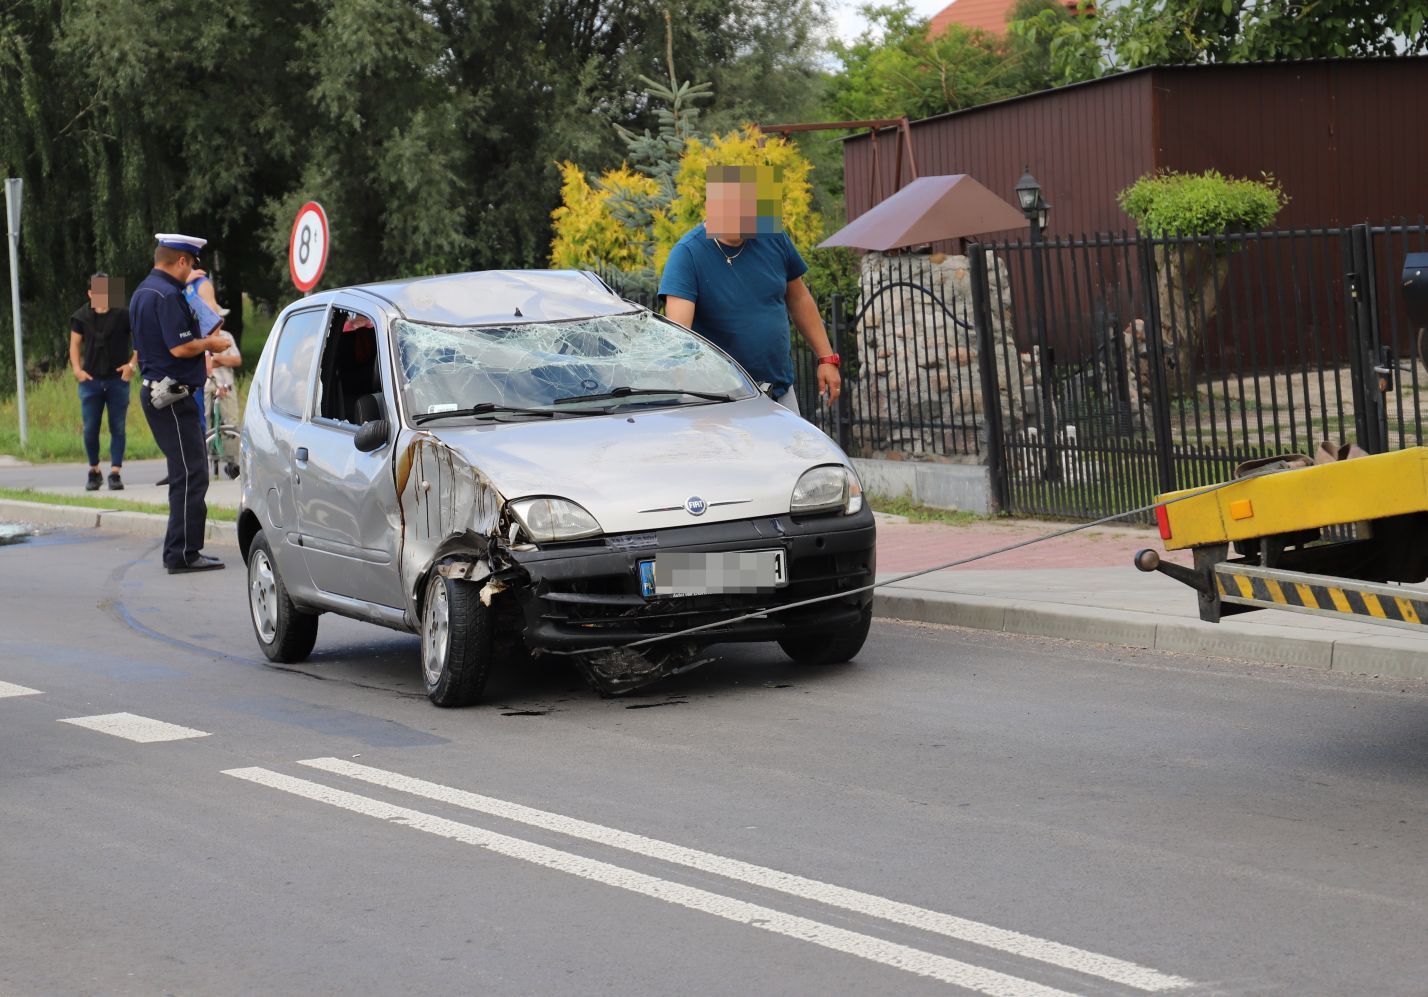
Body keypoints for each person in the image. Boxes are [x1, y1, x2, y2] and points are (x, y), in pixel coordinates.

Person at [658, 164, 841, 414]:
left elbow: (799, 299)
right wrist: (689, 402)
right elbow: (679, 339)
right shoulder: (687, 254)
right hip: (719, 400)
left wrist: (826, 358)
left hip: (778, 390)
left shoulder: (772, 236)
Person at [130, 233, 232, 573]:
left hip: (159, 391)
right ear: (183, 261)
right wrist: (210, 345)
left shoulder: (143, 291)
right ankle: (183, 553)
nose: (191, 273)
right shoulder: (169, 294)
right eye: (191, 265)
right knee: (192, 474)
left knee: (183, 472)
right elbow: (178, 348)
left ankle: (181, 550)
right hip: (172, 396)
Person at [69, 273, 137, 490]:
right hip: (90, 382)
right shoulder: (81, 317)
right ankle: (94, 470)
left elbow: (140, 341)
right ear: (90, 293)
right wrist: (77, 370)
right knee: (90, 428)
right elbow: (74, 345)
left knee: (117, 427)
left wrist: (131, 365)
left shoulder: (124, 315)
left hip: (118, 380)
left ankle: (115, 473)